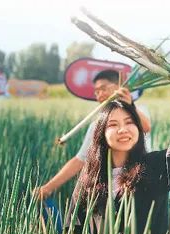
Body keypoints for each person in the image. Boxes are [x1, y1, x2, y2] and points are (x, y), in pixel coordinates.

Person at [67, 71, 170, 234]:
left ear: (138, 129)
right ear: (101, 133)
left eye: (129, 122)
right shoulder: (89, 180)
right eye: (113, 125)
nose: (123, 129)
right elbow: (74, 230)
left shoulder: (155, 167)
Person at [36, 70, 152, 200]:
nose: (100, 94)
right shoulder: (97, 125)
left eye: (103, 89)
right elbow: (80, 159)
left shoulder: (138, 110)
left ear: (118, 86)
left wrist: (129, 104)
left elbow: (146, 127)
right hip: (116, 189)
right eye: (96, 92)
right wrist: (48, 187)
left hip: (144, 183)